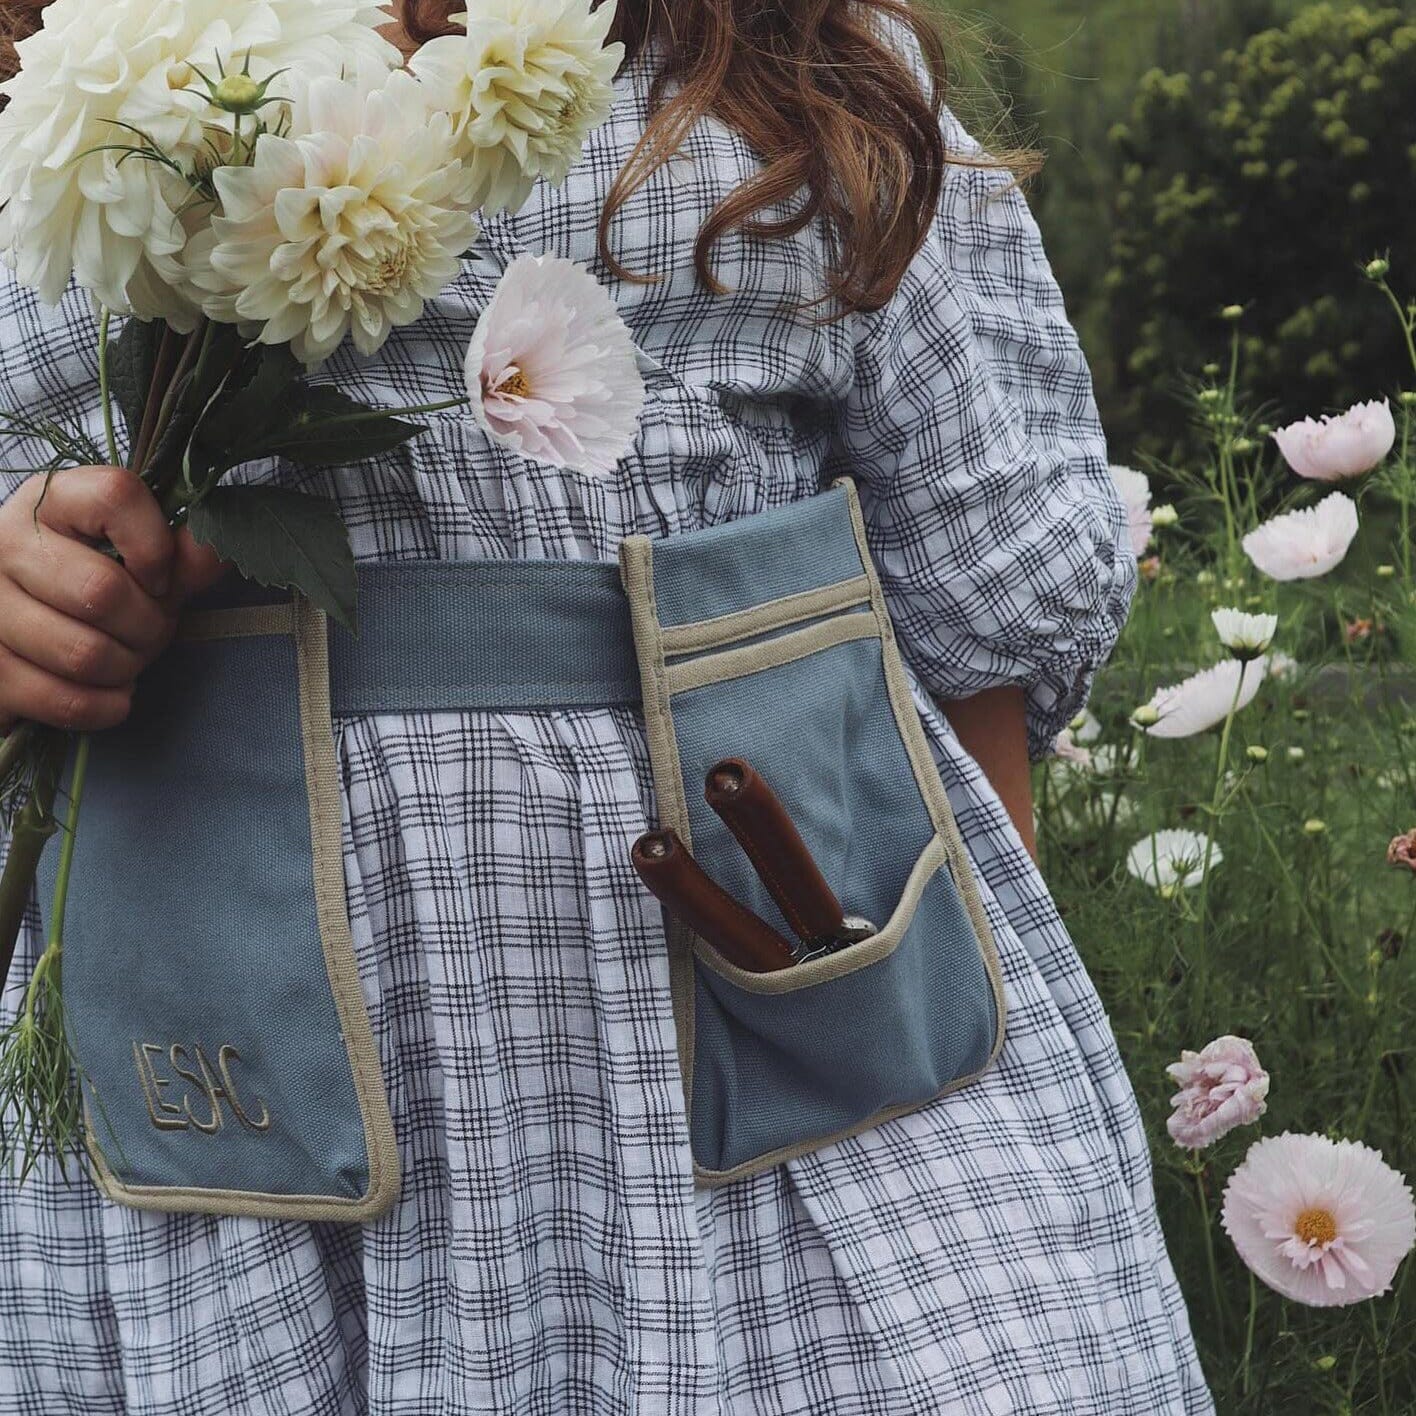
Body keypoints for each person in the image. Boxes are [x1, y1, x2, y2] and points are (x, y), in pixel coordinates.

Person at [0, 0, 1212, 1410]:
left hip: (783, 1036)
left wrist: (969, 1100)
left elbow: (969, 631)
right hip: (227, 1092)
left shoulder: (792, 79)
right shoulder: (68, 92)